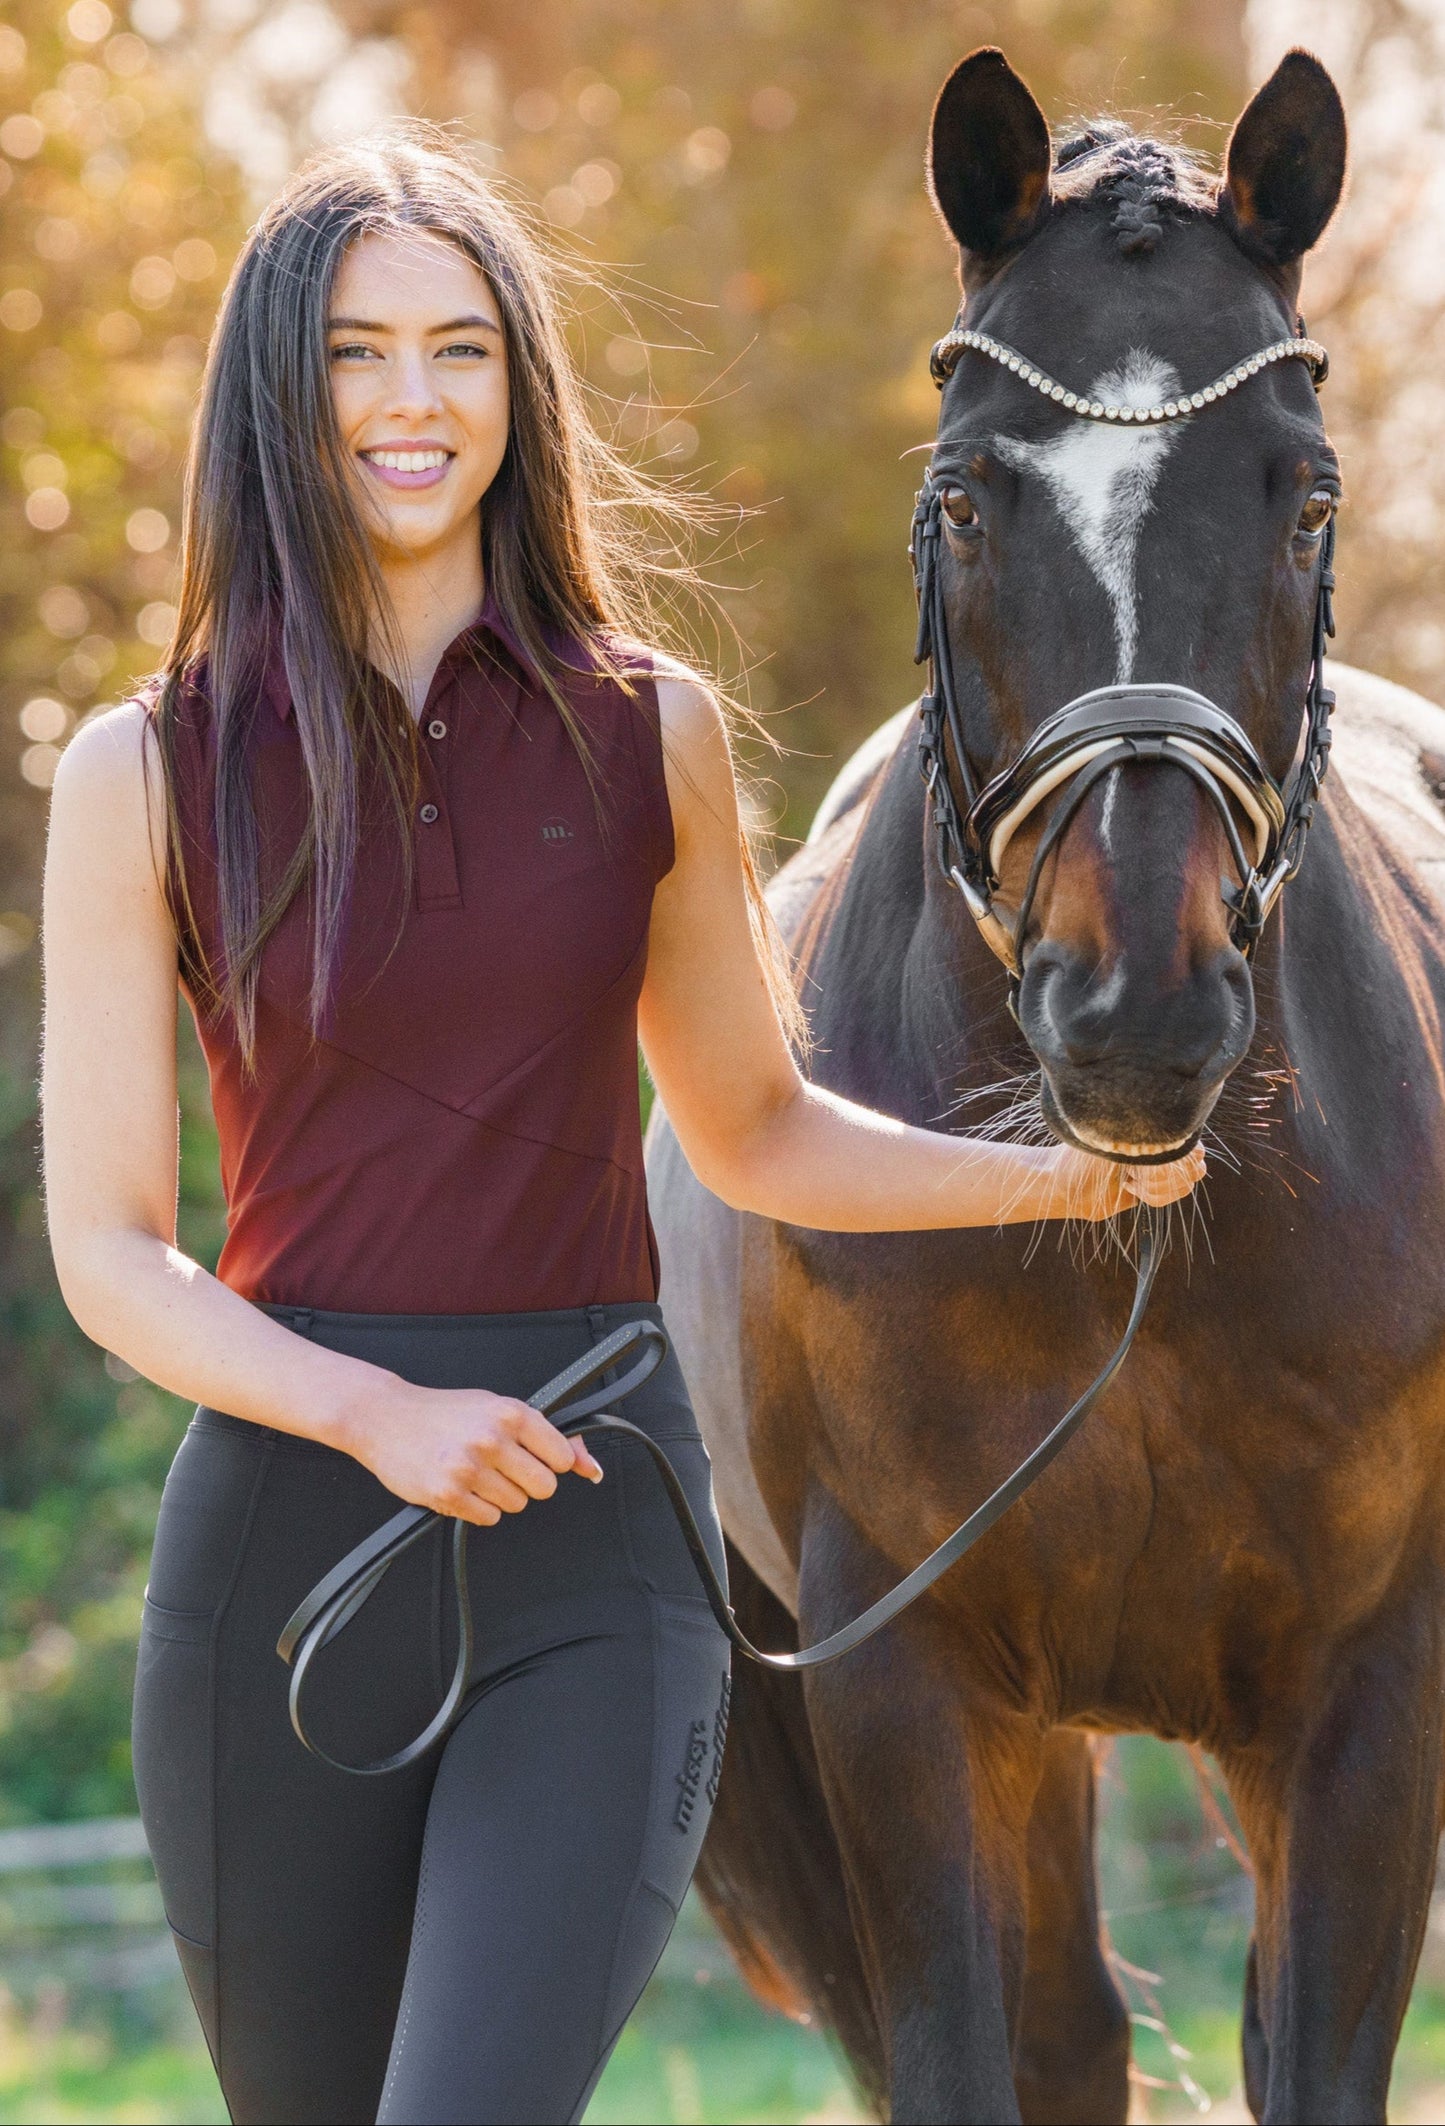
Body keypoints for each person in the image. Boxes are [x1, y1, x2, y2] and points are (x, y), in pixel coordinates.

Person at [39, 128, 1202, 2126]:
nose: (413, 400)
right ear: (277, 391)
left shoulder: (640, 725)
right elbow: (114, 1248)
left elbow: (751, 1129)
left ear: (520, 385)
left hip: (599, 1538)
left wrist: (1074, 1174)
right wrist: (370, 1414)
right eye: (356, 353)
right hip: (283, 1552)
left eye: (462, 348)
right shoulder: (141, 768)